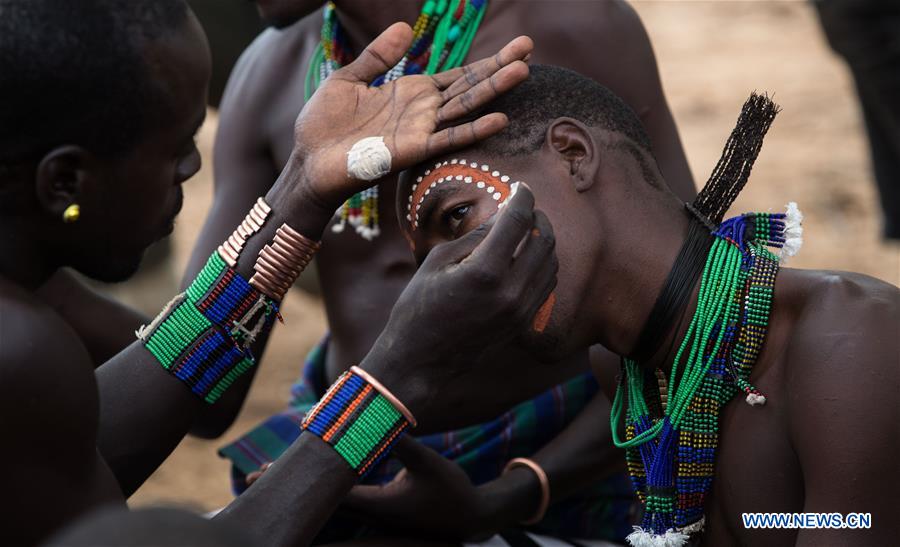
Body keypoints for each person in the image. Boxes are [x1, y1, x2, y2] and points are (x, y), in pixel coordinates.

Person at [0, 0, 543, 543]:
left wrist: (303, 188)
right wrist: (399, 372)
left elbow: (83, 455)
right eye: (175, 148)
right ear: (64, 182)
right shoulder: (20, 349)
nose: (192, 166)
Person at [198, 1, 694, 541]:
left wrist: (512, 494)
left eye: (456, 217)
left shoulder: (574, 26)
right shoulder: (266, 73)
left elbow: (688, 310)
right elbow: (203, 394)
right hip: (338, 453)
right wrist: (303, 187)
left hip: (568, 472)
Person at [388, 64, 900, 546]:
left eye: (457, 217)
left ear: (572, 154)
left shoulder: (852, 346)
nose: (453, 274)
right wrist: (490, 506)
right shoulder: (625, 372)